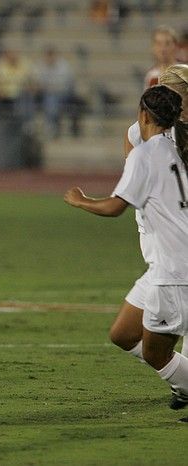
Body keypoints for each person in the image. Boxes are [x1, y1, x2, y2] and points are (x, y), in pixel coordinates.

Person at [64, 84, 188, 417]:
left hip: (173, 271)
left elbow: (115, 207)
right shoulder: (177, 150)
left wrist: (80, 200)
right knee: (123, 333)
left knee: (156, 354)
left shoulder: (145, 155)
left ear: (144, 114)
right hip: (163, 266)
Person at [117, 64, 188, 411]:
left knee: (161, 343)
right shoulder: (141, 132)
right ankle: (184, 380)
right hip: (160, 251)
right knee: (124, 335)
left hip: (178, 254)